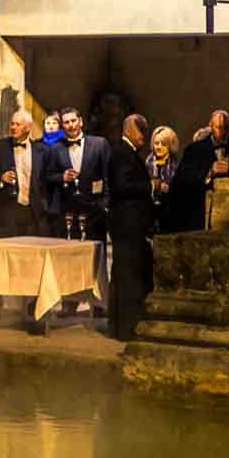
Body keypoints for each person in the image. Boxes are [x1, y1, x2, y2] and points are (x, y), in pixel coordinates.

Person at [106, 113, 156, 341]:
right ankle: (124, 328)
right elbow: (122, 186)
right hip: (127, 225)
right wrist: (150, 186)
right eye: (140, 131)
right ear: (128, 130)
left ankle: (123, 326)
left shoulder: (129, 153)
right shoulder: (120, 153)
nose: (144, 136)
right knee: (126, 277)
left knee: (128, 275)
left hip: (131, 225)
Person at [163, 108, 229, 234]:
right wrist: (209, 172)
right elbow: (183, 179)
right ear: (211, 126)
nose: (223, 132)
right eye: (219, 127)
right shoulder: (194, 150)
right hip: (200, 214)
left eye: (226, 128)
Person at [37, 107, 109, 241]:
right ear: (62, 126)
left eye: (73, 121)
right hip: (68, 212)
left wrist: (105, 204)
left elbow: (108, 175)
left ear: (80, 121)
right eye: (66, 122)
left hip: (95, 212)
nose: (71, 125)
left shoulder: (99, 144)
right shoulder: (55, 148)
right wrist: (62, 177)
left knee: (96, 255)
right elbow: (47, 176)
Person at [0, 109, 46, 240]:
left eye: (18, 124)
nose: (13, 127)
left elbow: (45, 180)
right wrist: (0, 177)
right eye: (12, 124)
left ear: (28, 127)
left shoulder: (41, 150)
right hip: (5, 214)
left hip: (33, 215)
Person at [147, 126, 180, 226]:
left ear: (170, 145)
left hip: (170, 211)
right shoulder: (147, 164)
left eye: (163, 144)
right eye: (156, 143)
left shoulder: (177, 166)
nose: (159, 147)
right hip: (149, 212)